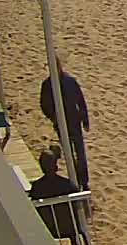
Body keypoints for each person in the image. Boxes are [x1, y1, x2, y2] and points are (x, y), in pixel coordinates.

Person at [27, 147, 84, 245]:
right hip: (69, 227)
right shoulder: (66, 185)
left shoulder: (37, 188)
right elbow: (78, 199)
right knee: (74, 220)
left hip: (48, 229)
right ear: (55, 165)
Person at [38, 63, 90, 191]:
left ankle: (83, 181)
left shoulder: (70, 81)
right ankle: (75, 180)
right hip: (61, 123)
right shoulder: (47, 85)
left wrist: (85, 120)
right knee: (69, 154)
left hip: (74, 121)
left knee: (80, 154)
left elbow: (80, 101)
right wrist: (53, 116)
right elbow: (44, 105)